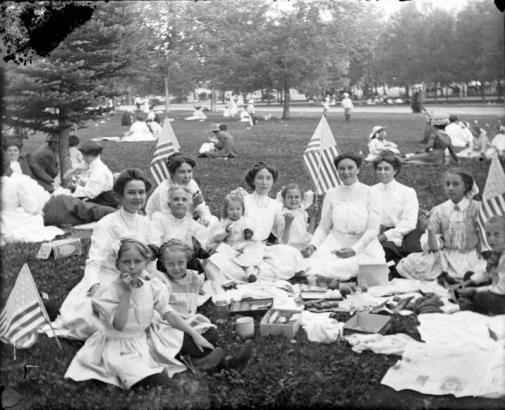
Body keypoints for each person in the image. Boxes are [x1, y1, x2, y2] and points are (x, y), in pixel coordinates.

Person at [64, 238, 219, 390]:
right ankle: (176, 381)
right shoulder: (108, 293)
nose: (132, 267)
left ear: (145, 263)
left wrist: (194, 334)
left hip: (148, 336)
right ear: (117, 264)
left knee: (208, 333)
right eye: (126, 262)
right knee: (138, 372)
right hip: (120, 346)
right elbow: (119, 325)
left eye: (137, 262)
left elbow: (169, 314)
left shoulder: (152, 287)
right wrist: (126, 292)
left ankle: (199, 359)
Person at [57, 169, 155, 340]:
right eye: (131, 193)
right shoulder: (106, 224)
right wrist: (96, 290)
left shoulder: (146, 223)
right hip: (108, 278)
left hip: (136, 276)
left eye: (141, 192)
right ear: (120, 196)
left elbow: (148, 257)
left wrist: (149, 277)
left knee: (153, 318)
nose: (138, 197)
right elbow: (94, 262)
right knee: (99, 323)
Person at [151, 239, 254, 373]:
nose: (176, 268)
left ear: (187, 261)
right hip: (168, 326)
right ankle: (226, 363)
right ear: (163, 264)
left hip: (187, 321)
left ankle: (201, 361)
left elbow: (204, 278)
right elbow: (168, 316)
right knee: (191, 342)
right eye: (170, 264)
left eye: (181, 263)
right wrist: (195, 335)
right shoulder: (161, 282)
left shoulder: (193, 278)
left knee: (212, 334)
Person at [204, 162, 303, 284]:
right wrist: (217, 243)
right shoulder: (243, 202)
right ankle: (249, 273)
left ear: (273, 182)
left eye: (268, 178)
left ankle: (248, 273)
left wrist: (287, 224)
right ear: (253, 181)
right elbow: (226, 224)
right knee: (214, 263)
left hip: (260, 248)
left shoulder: (276, 206)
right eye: (260, 178)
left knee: (291, 253)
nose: (264, 182)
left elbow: (283, 241)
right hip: (236, 248)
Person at [299, 153, 385, 280]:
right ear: (337, 171)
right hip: (335, 242)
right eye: (341, 168)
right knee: (306, 263)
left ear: (358, 169)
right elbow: (323, 227)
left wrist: (354, 250)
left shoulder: (371, 192)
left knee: (358, 264)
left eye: (350, 168)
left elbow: (373, 230)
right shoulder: (332, 193)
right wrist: (313, 245)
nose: (346, 172)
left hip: (364, 246)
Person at [396, 169, 486, 282]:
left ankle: (456, 279)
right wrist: (430, 231)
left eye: (456, 184)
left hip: (472, 255)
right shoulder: (439, 211)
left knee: (486, 270)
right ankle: (446, 277)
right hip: (446, 256)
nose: (450, 188)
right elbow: (434, 248)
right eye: (447, 184)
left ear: (466, 186)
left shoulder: (478, 208)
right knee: (411, 262)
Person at [370, 151, 421, 267]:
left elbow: (409, 222)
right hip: (374, 233)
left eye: (386, 169)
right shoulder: (369, 191)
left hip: (401, 234)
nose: (382, 172)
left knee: (407, 253)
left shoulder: (407, 192)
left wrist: (385, 236)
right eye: (379, 169)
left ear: (395, 171)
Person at [0, 160, 64, 245]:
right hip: (11, 218)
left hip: (4, 223)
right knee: (35, 217)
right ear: (6, 168)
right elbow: (29, 205)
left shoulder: (12, 183)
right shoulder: (14, 183)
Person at [145, 153, 216, 227]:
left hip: (184, 219)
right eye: (181, 172)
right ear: (172, 173)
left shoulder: (191, 183)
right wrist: (194, 205)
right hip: (161, 225)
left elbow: (201, 206)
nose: (187, 176)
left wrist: (205, 220)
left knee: (213, 221)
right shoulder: (164, 190)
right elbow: (172, 221)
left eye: (189, 171)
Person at [207, 192, 264, 282]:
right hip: (231, 246)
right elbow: (216, 237)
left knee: (249, 258)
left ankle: (251, 275)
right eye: (231, 209)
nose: (235, 212)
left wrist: (251, 235)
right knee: (221, 255)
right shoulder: (224, 222)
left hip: (245, 246)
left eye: (238, 209)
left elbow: (257, 237)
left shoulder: (247, 221)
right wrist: (225, 231)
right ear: (226, 210)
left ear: (242, 209)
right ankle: (227, 273)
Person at [456, 216, 505, 316]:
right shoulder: (497, 252)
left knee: (481, 297)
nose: (491, 239)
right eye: (488, 234)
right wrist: (471, 281)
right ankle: (468, 295)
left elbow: (500, 289)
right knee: (469, 276)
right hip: (496, 286)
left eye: (497, 235)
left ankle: (474, 303)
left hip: (502, 293)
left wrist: (475, 290)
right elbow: (489, 274)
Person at [151, 186, 207, 252]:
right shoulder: (160, 221)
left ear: (189, 204)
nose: (180, 203)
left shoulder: (196, 228)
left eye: (184, 199)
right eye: (176, 199)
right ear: (169, 203)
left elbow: (198, 254)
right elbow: (154, 245)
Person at [68, 140, 118, 208]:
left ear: (90, 156)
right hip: (100, 200)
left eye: (84, 155)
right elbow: (94, 183)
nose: (83, 158)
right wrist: (80, 178)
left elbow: (92, 193)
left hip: (105, 204)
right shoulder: (98, 167)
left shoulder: (100, 172)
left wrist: (75, 188)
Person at [276, 184, 316, 250]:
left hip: (304, 248)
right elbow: (283, 242)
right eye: (289, 197)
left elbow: (308, 235)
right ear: (284, 199)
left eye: (296, 197)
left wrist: (312, 217)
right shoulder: (281, 214)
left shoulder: (303, 213)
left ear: (302, 199)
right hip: (289, 249)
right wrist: (288, 224)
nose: (293, 199)